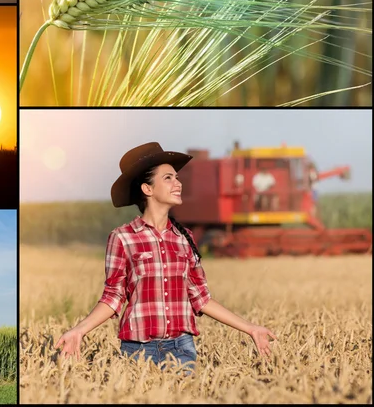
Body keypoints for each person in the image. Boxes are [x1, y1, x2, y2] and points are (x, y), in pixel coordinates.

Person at [55, 142, 277, 372]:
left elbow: (201, 298)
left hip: (182, 348)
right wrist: (79, 330)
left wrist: (251, 328)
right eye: (168, 178)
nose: (178, 183)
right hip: (137, 351)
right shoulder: (122, 238)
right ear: (147, 189)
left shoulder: (186, 238)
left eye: (177, 178)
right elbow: (113, 296)